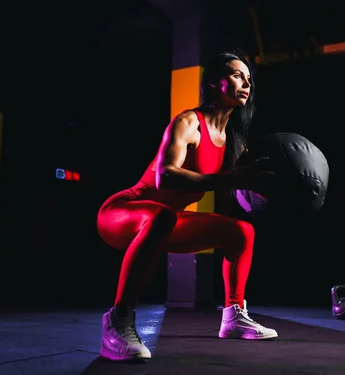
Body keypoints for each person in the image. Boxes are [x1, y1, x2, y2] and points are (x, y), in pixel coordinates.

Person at [95, 51, 278, 362]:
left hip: (166, 221)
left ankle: (234, 316)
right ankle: (118, 320)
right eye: (237, 75)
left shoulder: (231, 140)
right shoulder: (189, 122)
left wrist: (264, 190)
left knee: (241, 231)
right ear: (214, 82)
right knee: (162, 215)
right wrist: (231, 179)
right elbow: (165, 177)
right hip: (123, 213)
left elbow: (238, 186)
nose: (246, 82)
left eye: (248, 78)